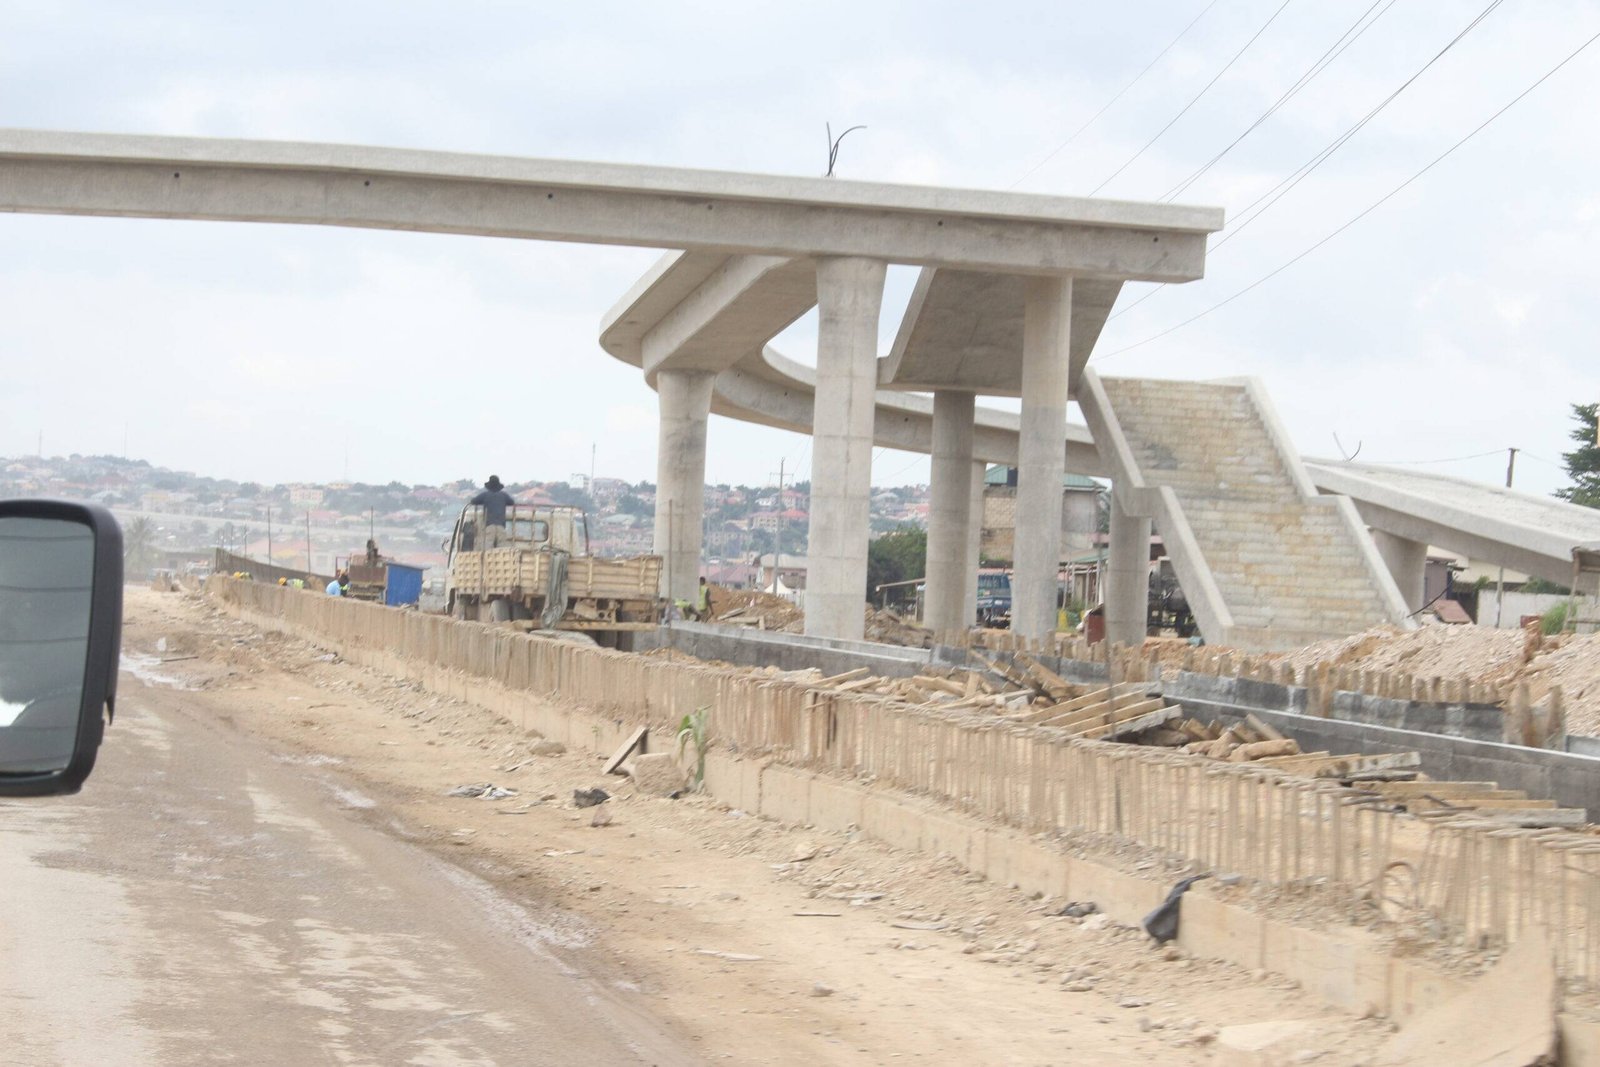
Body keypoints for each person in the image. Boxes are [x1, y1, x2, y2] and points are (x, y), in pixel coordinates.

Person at [469, 475, 517, 549]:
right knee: (502, 548)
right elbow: (511, 502)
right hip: (501, 525)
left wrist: (484, 502)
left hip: (490, 525)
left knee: (488, 548)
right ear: (498, 486)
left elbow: (473, 501)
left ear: (489, 486)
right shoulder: (504, 495)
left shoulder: (485, 495)